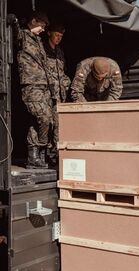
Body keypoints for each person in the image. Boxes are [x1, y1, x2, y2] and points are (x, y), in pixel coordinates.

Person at [17, 11, 55, 169]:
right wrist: (14, 20)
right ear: (33, 21)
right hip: (31, 85)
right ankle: (39, 150)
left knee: (41, 121)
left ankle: (34, 157)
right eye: (42, 25)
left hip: (44, 86)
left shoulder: (39, 41)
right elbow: (11, 32)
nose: (43, 29)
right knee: (44, 118)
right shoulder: (22, 36)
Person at [43, 23, 71, 163]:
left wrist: (66, 83)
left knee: (58, 125)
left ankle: (55, 154)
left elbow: (63, 72)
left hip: (59, 95)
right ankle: (44, 153)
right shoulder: (41, 49)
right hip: (46, 93)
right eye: (56, 35)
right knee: (46, 122)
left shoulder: (60, 51)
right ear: (49, 33)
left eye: (61, 36)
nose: (59, 38)